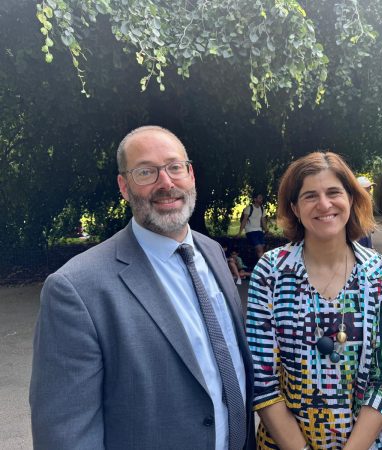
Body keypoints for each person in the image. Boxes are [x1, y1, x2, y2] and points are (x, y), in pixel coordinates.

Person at [29, 126, 255, 449]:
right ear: (124, 185)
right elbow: (66, 437)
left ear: (190, 174)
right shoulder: (76, 290)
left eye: (175, 167)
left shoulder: (213, 253)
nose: (166, 183)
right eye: (146, 172)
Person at [246, 152, 382, 449]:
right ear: (294, 207)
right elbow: (262, 379)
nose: (324, 204)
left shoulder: (379, 273)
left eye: (334, 192)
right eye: (310, 196)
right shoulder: (271, 271)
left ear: (351, 199)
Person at [238, 192, 269, 259]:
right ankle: (263, 266)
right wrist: (240, 233)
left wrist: (267, 231)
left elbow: (263, 221)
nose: (261, 199)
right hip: (251, 231)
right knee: (259, 248)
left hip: (259, 231)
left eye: (261, 198)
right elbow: (244, 220)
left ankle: (261, 264)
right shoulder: (249, 208)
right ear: (255, 199)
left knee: (263, 248)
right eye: (259, 198)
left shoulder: (262, 209)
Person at [357, 175, 375, 248]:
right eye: (366, 189)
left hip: (366, 243)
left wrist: (372, 246)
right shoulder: (350, 206)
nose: (369, 192)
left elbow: (369, 230)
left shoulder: (366, 205)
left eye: (369, 189)